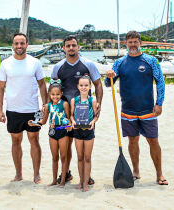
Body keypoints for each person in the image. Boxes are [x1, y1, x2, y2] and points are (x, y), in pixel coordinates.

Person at [105, 30, 167, 185]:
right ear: (126, 43)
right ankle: (136, 171)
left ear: (140, 43)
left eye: (135, 41)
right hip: (128, 111)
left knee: (153, 141)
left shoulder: (151, 61)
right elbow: (108, 84)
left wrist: (159, 103)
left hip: (148, 110)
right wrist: (109, 76)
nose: (133, 44)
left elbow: (160, 82)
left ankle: (159, 174)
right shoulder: (119, 63)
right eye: (130, 42)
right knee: (133, 141)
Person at [0, 33, 47, 184]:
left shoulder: (35, 62)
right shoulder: (5, 64)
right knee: (15, 141)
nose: (19, 46)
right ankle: (18, 174)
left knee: (34, 140)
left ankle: (36, 174)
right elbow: (0, 87)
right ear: (12, 45)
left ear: (27, 45)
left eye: (22, 43)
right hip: (13, 110)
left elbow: (42, 84)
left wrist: (45, 106)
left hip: (34, 109)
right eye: (16, 43)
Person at [51, 35, 103, 184]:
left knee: (85, 147)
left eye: (74, 45)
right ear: (63, 48)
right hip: (66, 114)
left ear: (78, 47)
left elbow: (98, 85)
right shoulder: (58, 67)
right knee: (66, 146)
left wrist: (98, 104)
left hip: (86, 114)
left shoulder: (89, 64)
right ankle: (65, 173)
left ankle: (87, 176)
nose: (71, 48)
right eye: (68, 46)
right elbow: (53, 88)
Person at [28, 80, 71, 187]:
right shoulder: (47, 106)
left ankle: (62, 181)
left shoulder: (65, 104)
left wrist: (68, 126)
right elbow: (43, 121)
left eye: (57, 94)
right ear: (49, 94)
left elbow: (69, 120)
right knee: (54, 157)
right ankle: (54, 180)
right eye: (53, 94)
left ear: (61, 94)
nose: (55, 96)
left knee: (63, 157)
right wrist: (35, 123)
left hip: (63, 132)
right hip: (52, 132)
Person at [70, 75, 98, 192]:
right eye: (81, 85)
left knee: (87, 158)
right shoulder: (74, 100)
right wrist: (73, 121)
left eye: (86, 85)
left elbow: (96, 116)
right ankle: (81, 181)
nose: (83, 87)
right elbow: (71, 115)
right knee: (80, 157)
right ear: (78, 86)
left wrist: (93, 122)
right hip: (77, 131)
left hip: (89, 131)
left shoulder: (93, 100)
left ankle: (86, 183)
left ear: (90, 86)